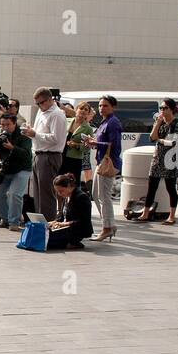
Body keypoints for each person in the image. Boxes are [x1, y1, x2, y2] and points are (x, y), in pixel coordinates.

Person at [139, 98, 178, 223]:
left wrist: (159, 140)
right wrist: (158, 123)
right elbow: (151, 137)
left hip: (171, 158)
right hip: (158, 158)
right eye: (161, 108)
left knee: (170, 187)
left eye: (165, 108)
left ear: (171, 109)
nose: (162, 110)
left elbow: (173, 142)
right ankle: (145, 213)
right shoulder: (160, 122)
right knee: (152, 186)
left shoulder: (177, 123)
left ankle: (172, 216)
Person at [22, 87, 67, 220]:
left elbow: (56, 139)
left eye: (41, 103)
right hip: (39, 154)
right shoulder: (42, 112)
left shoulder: (57, 114)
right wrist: (31, 132)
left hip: (49, 155)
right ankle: (41, 223)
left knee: (46, 195)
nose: (39, 106)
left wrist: (35, 134)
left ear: (49, 99)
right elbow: (38, 134)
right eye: (37, 104)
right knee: (38, 195)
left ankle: (48, 224)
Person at [0, 113, 33, 231]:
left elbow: (26, 155)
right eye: (2, 124)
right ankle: (5, 219)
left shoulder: (23, 134)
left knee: (15, 194)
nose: (5, 127)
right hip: (7, 169)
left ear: (14, 123)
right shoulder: (0, 131)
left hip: (22, 168)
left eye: (8, 125)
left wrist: (12, 148)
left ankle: (14, 222)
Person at [90, 95, 122, 242]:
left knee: (104, 197)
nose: (102, 108)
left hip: (108, 163)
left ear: (112, 107)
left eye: (105, 105)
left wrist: (95, 143)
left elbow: (114, 145)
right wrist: (92, 143)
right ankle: (109, 225)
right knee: (96, 194)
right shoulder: (104, 122)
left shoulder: (113, 122)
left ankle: (107, 228)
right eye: (100, 105)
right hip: (101, 162)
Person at [47, 173, 94, 250]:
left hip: (77, 230)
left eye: (61, 191)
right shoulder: (67, 196)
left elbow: (83, 221)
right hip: (67, 228)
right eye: (58, 191)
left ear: (69, 186)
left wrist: (63, 224)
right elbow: (63, 217)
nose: (59, 194)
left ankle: (74, 242)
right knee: (43, 235)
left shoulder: (81, 197)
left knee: (48, 241)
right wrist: (54, 222)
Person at [61, 101, 95, 183]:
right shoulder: (66, 121)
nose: (83, 111)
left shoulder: (88, 128)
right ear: (76, 110)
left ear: (88, 113)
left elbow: (88, 147)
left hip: (75, 159)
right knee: (60, 181)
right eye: (81, 108)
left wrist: (76, 145)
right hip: (61, 156)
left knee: (73, 184)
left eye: (86, 110)